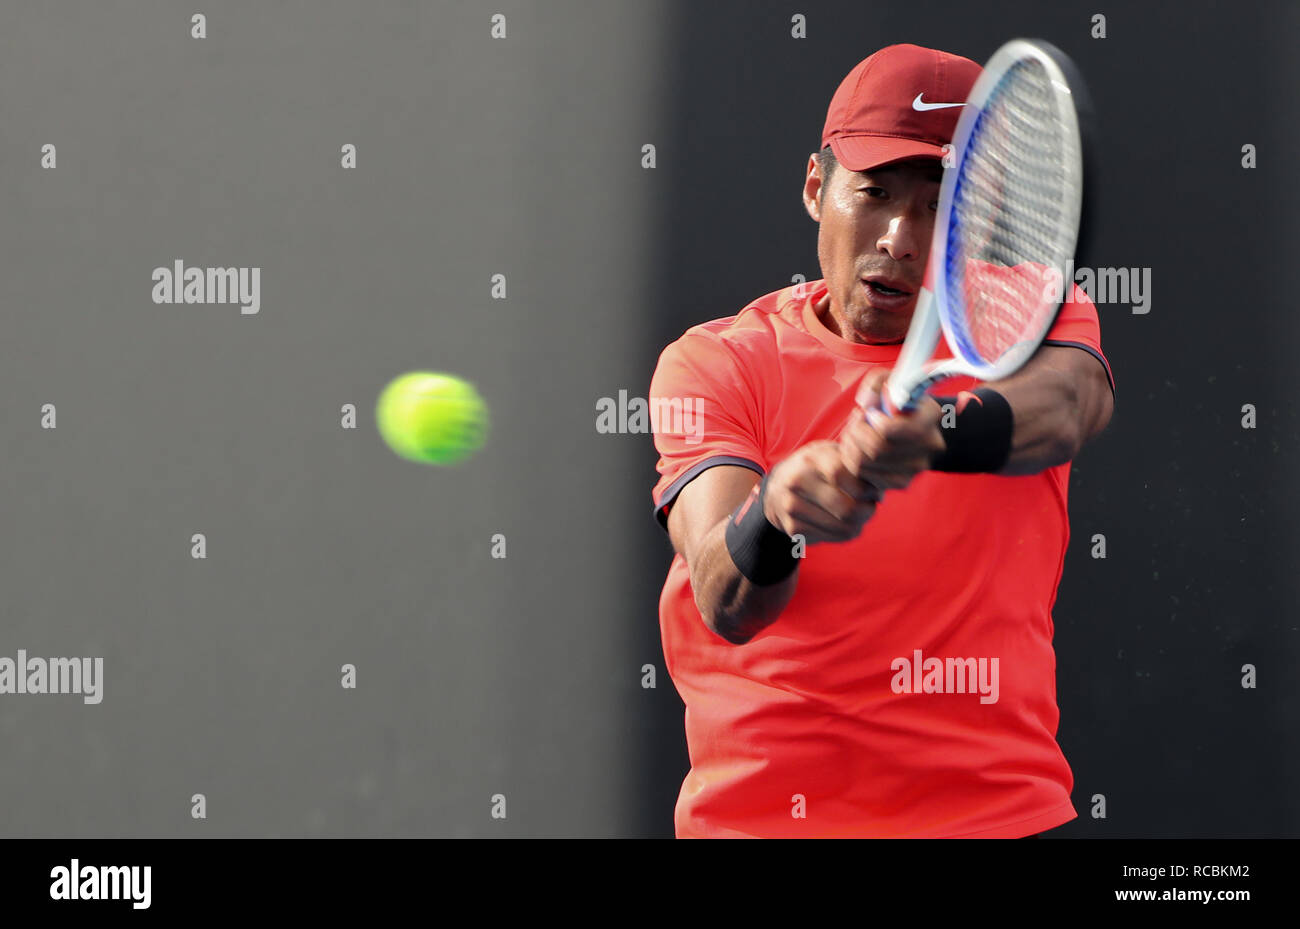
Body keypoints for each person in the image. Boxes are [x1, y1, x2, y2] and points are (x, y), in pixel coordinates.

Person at [647, 44, 1115, 838]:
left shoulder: (1036, 312)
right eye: (874, 192)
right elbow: (726, 599)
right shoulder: (715, 361)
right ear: (815, 188)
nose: (900, 236)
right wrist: (780, 519)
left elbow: (1070, 405)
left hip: (992, 819)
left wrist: (935, 433)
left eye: (939, 203)